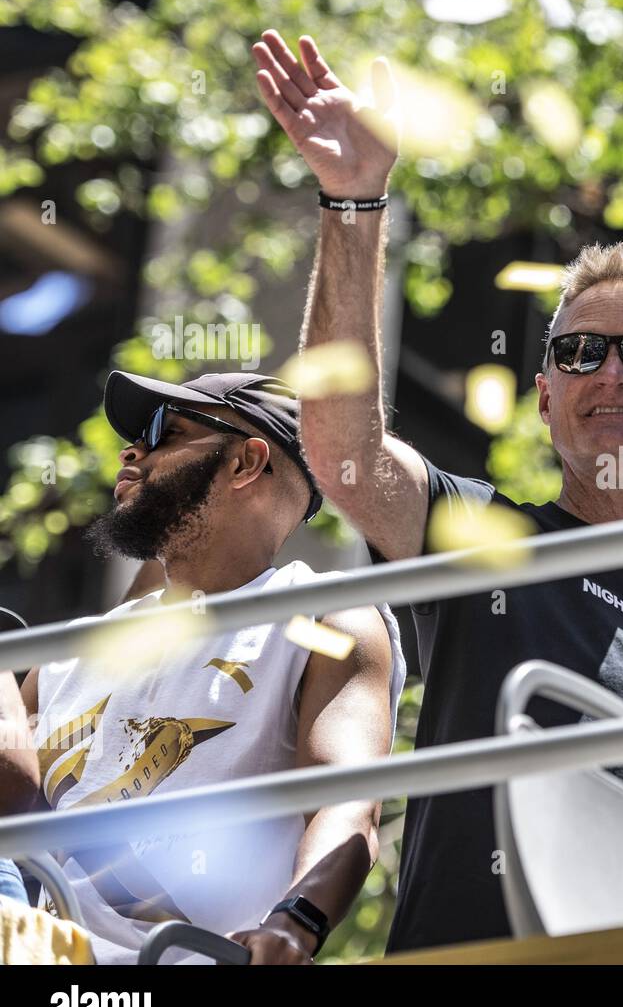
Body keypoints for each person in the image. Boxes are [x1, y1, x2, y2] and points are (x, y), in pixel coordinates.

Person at [252, 29, 623, 951]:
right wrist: (354, 199)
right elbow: (345, 452)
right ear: (546, 396)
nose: (609, 371)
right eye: (577, 352)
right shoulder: (483, 534)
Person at [1, 371, 407, 963]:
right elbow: (13, 804)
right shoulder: (73, 650)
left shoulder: (322, 620)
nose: (132, 450)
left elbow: (346, 805)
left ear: (246, 463)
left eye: (165, 432)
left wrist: (296, 923)